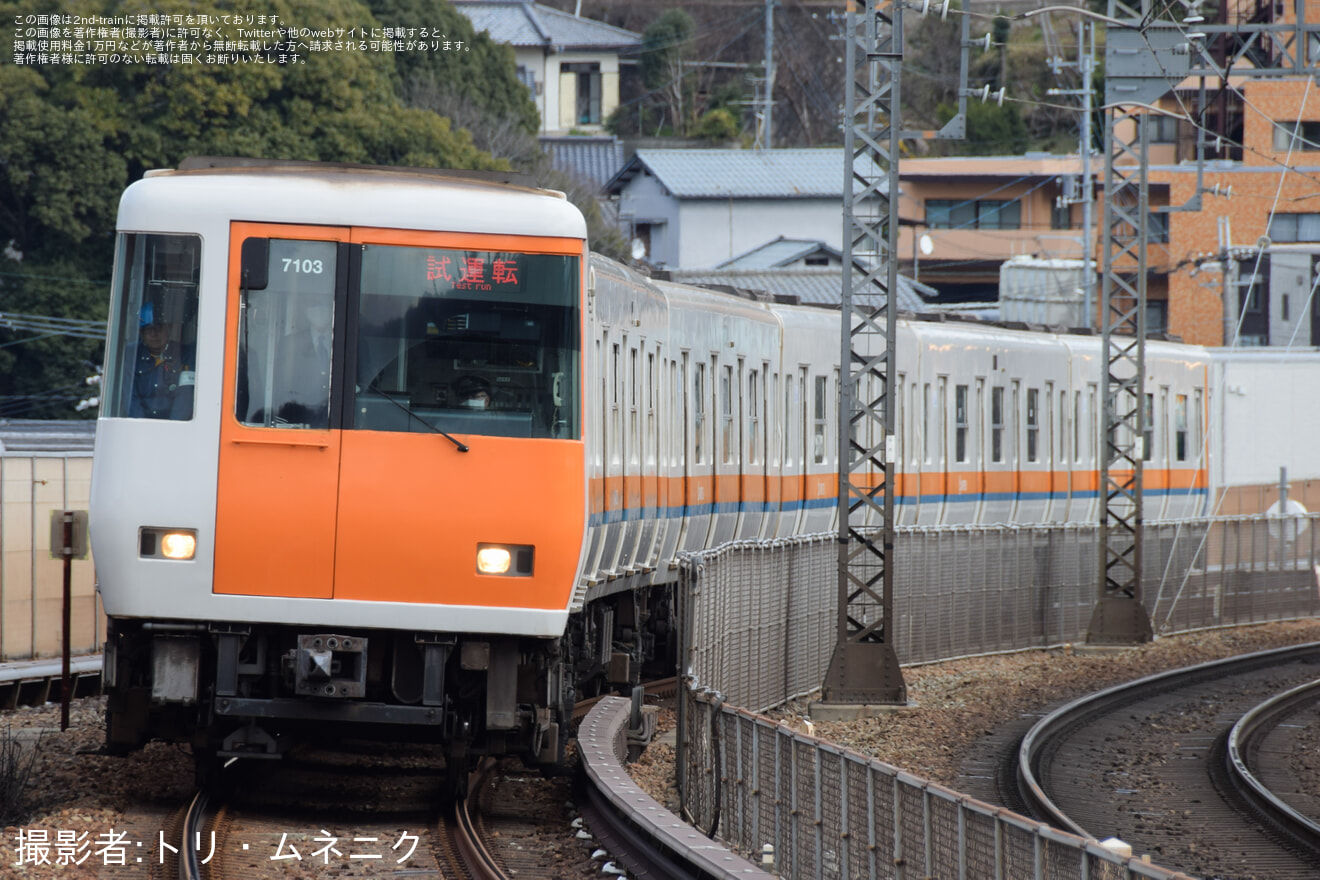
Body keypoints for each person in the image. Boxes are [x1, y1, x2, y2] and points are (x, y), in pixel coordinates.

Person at [130, 303, 194, 419]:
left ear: (168, 328)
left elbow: (186, 397)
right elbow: (130, 397)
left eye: (158, 328)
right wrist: (141, 427)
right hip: (139, 428)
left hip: (177, 429)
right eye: (148, 330)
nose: (154, 334)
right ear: (141, 333)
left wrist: (172, 430)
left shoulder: (185, 354)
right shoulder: (132, 355)